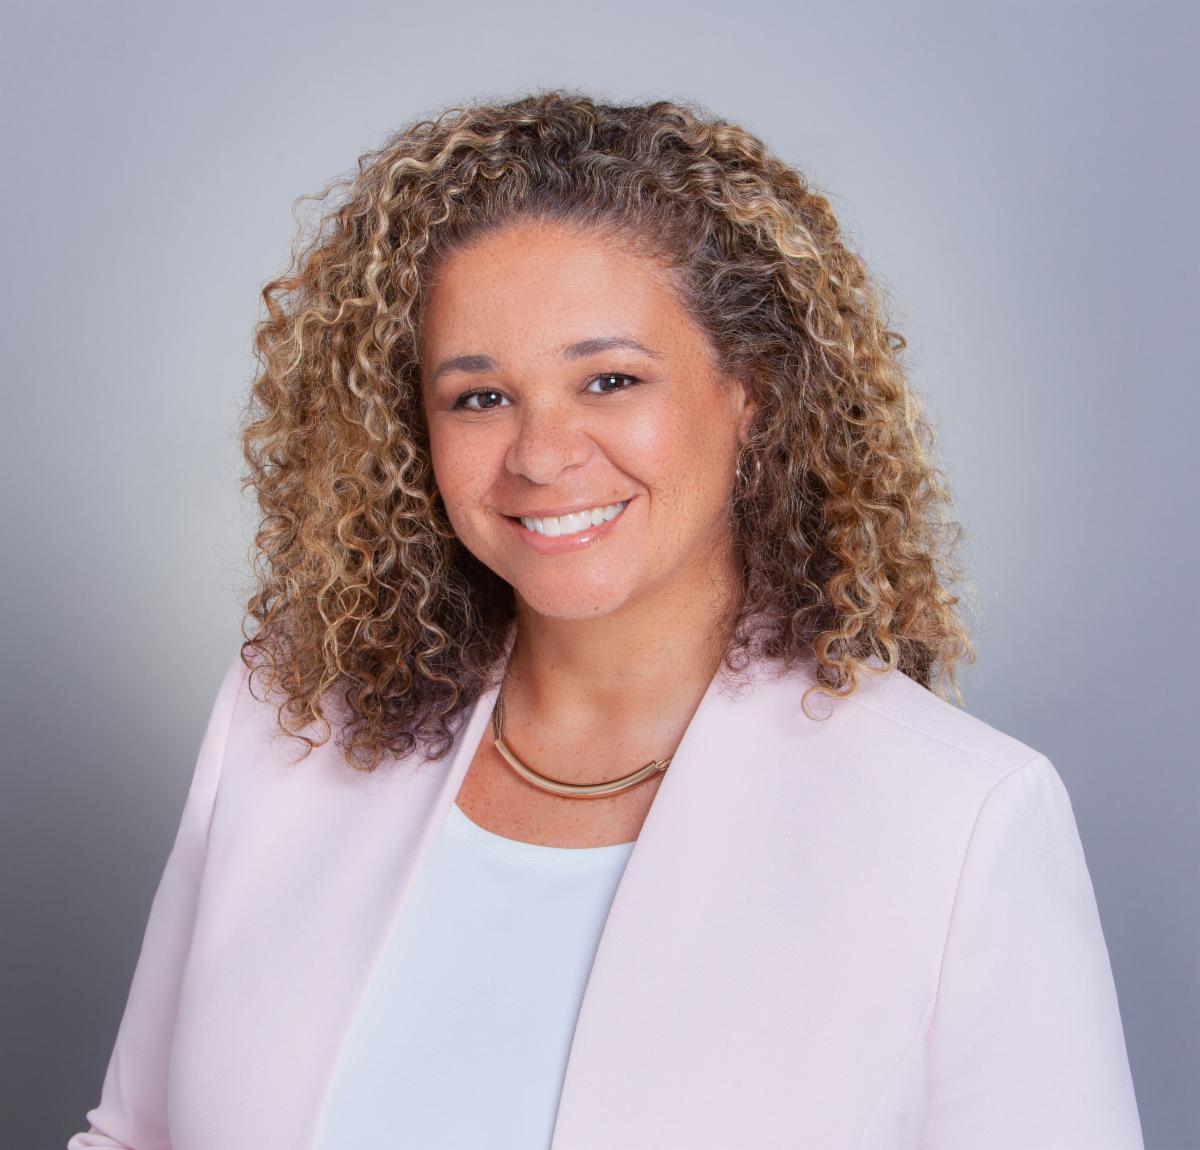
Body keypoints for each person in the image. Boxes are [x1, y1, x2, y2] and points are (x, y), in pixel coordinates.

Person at [68, 90, 1144, 1149]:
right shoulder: (285, 724)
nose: (541, 456)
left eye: (610, 379)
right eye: (480, 397)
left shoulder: (959, 818)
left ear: (752, 393)